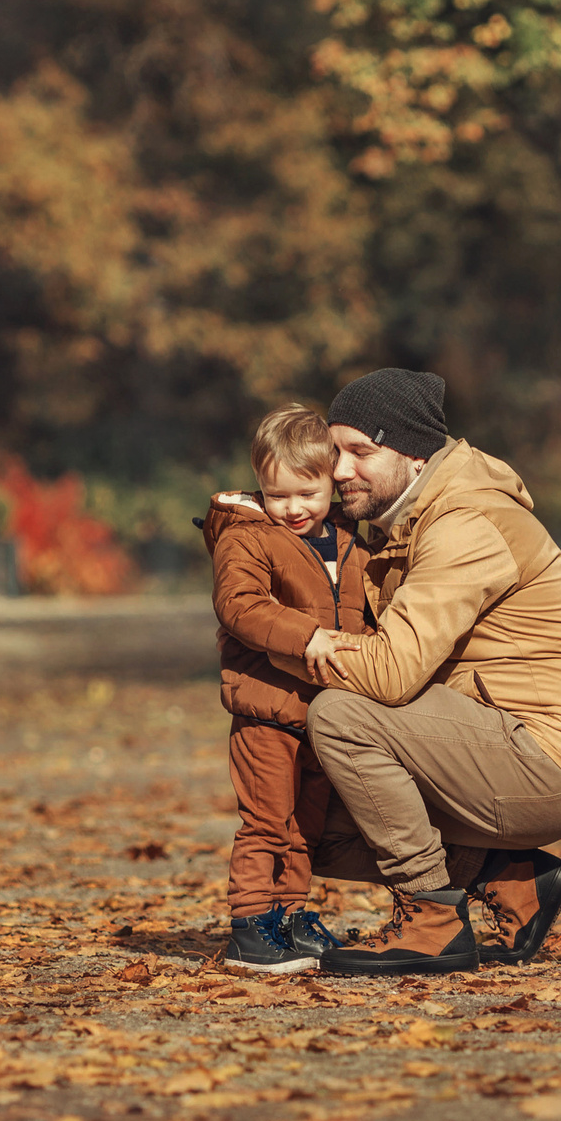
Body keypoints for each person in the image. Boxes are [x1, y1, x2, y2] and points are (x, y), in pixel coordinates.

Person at [292, 369, 561, 977]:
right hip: (487, 744)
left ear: (415, 456)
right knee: (298, 813)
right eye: (335, 452)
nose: (338, 471)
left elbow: (389, 674)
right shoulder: (403, 525)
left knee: (339, 716)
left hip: (548, 757)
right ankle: (511, 878)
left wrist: (289, 642)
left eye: (361, 452)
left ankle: (430, 919)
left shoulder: (463, 523)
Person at [198, 405, 374, 975]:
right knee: (266, 821)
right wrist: (307, 638)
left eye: (307, 492)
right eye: (278, 495)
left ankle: (290, 918)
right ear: (261, 487)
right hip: (267, 709)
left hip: (324, 712)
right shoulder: (248, 538)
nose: (293, 509)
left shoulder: (351, 541)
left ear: (332, 481)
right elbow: (240, 607)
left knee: (305, 826)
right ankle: (252, 924)